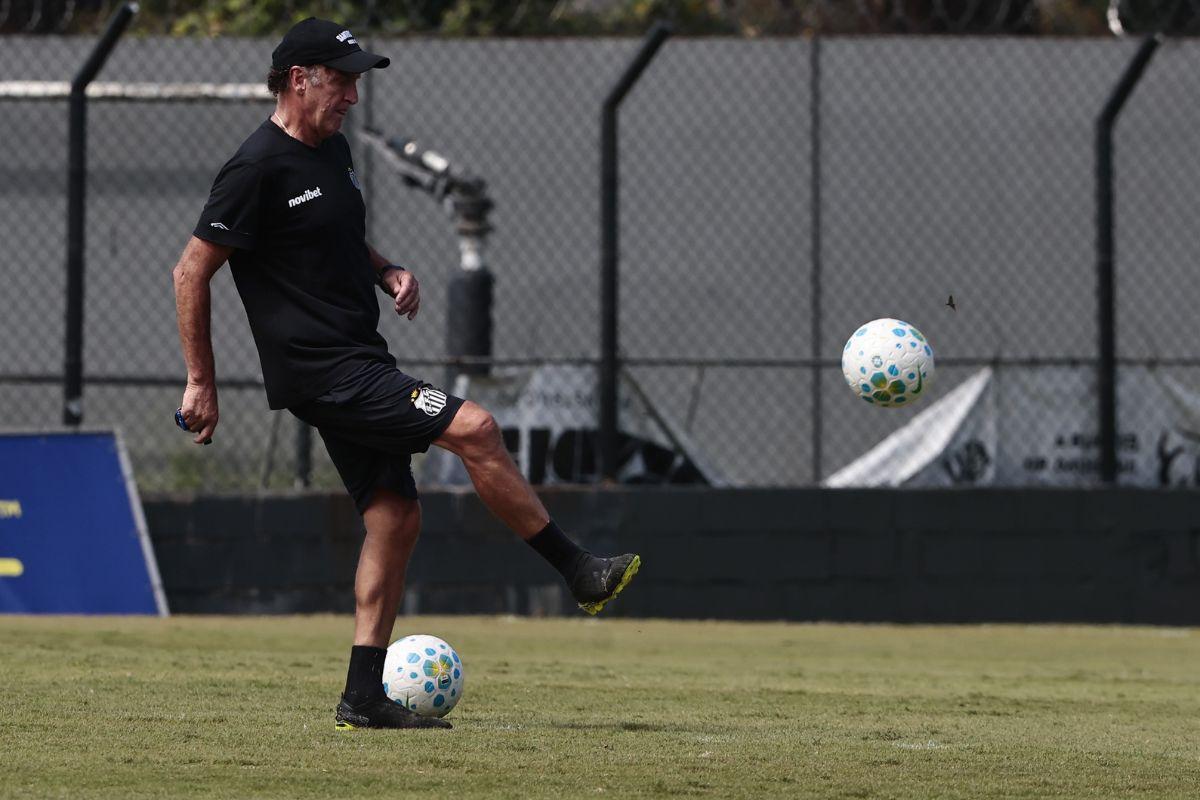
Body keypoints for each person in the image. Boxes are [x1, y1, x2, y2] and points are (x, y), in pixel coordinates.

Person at [172, 17, 641, 731]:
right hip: (324, 372)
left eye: (358, 80)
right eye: (343, 80)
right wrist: (201, 381)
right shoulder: (254, 166)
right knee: (476, 427)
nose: (355, 96)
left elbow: (330, 236)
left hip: (359, 358)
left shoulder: (329, 155)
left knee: (395, 518)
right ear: (300, 81)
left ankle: (363, 695)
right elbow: (190, 272)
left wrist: (385, 268)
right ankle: (579, 571)